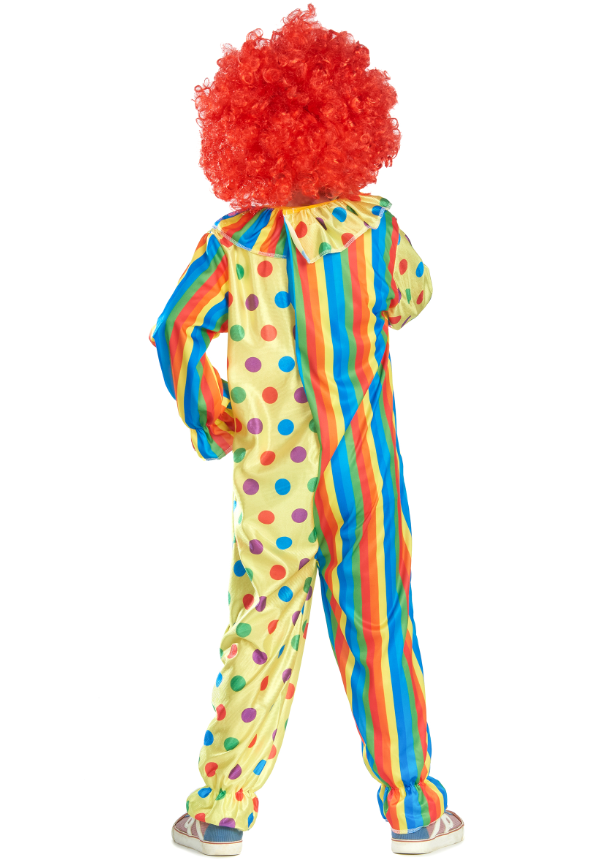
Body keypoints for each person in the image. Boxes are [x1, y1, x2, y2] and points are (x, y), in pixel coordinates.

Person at [151, 6, 463, 855]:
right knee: (382, 634)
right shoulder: (377, 232)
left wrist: (213, 416)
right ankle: (413, 811)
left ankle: (220, 812)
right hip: (366, 475)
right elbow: (414, 297)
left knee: (259, 629)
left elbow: (174, 331)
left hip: (273, 483)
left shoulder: (233, 245)